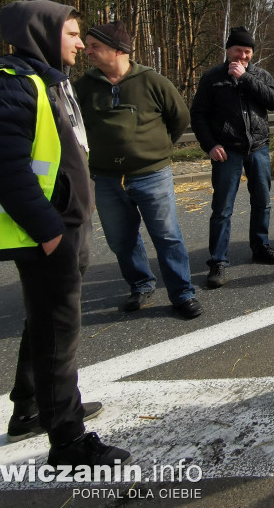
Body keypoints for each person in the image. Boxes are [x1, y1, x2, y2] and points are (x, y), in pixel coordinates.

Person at [0, 0, 128, 465]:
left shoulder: (44, 80)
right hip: (48, 233)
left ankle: (31, 408)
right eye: (73, 34)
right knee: (58, 331)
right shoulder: (8, 86)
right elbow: (3, 169)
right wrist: (50, 231)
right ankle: (68, 439)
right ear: (41, 32)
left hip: (63, 227)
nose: (81, 43)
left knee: (44, 321)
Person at [73, 21, 202, 319]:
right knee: (121, 239)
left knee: (167, 236)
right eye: (87, 45)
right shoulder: (82, 87)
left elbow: (179, 118)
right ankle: (141, 284)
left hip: (152, 175)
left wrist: (156, 151)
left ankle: (182, 294)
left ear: (119, 51)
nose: (87, 51)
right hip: (105, 179)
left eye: (95, 46)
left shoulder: (152, 82)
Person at [191, 26, 274, 289]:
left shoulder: (260, 75)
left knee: (262, 201)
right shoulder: (212, 78)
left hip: (258, 148)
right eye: (238, 51)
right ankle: (218, 261)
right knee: (222, 208)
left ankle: (260, 246)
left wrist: (245, 78)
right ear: (228, 50)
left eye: (247, 52)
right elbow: (198, 115)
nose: (243, 56)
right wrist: (209, 145)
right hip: (226, 151)